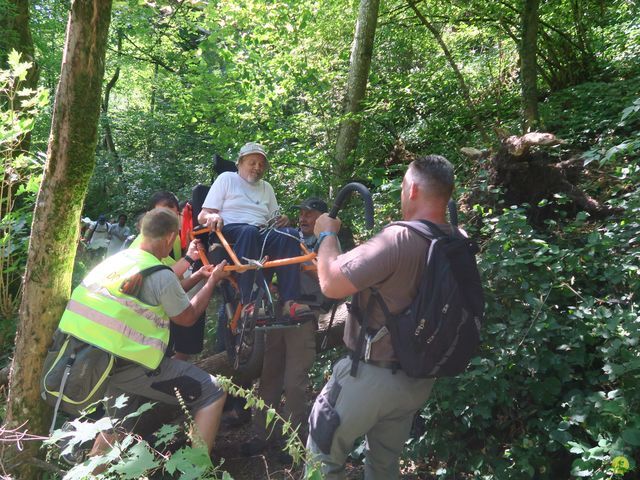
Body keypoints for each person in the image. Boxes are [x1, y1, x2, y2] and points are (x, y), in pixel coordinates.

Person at [306, 155, 455, 479]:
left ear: (412, 189)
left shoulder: (399, 239)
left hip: (369, 377)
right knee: (384, 468)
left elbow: (331, 282)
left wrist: (326, 235)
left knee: (321, 459)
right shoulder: (457, 240)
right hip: (417, 380)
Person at [56, 207, 229, 457]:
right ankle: (198, 469)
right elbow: (187, 317)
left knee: (118, 425)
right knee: (213, 392)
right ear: (171, 237)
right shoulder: (159, 273)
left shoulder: (118, 261)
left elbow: (163, 292)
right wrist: (212, 281)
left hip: (93, 361)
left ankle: (91, 472)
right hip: (131, 365)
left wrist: (198, 277)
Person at [242, 197, 328, 457]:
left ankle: (293, 442)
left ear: (322, 217)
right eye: (301, 214)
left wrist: (304, 263)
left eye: (309, 214)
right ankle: (261, 434)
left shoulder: (327, 241)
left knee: (294, 381)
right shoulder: (289, 239)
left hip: (305, 314)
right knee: (270, 374)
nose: (303, 218)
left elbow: (329, 277)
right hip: (281, 313)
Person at [198, 142, 311, 321]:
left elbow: (273, 219)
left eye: (261, 164)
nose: (257, 167)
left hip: (260, 233)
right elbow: (202, 215)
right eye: (252, 162)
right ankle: (248, 302)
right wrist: (211, 217)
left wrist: (282, 220)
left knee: (290, 234)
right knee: (249, 232)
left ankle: (290, 301)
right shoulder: (227, 178)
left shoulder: (267, 187)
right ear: (240, 163)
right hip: (229, 231)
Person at [130, 191, 207, 361]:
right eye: (162, 215)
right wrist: (189, 259)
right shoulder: (142, 244)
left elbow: (174, 283)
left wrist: (199, 275)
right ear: (149, 215)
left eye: (173, 216)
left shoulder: (176, 239)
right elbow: (163, 278)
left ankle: (179, 361)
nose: (168, 223)